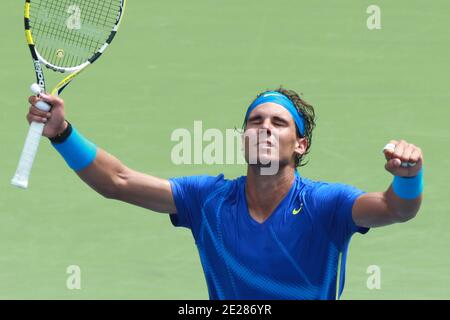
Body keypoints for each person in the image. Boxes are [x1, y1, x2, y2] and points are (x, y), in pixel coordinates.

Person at [26, 87, 424, 299]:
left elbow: (395, 208)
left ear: (299, 145)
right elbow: (118, 182)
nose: (265, 127)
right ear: (244, 139)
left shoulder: (326, 205)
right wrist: (62, 133)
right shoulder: (207, 200)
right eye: (256, 120)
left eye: (279, 123)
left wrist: (409, 176)